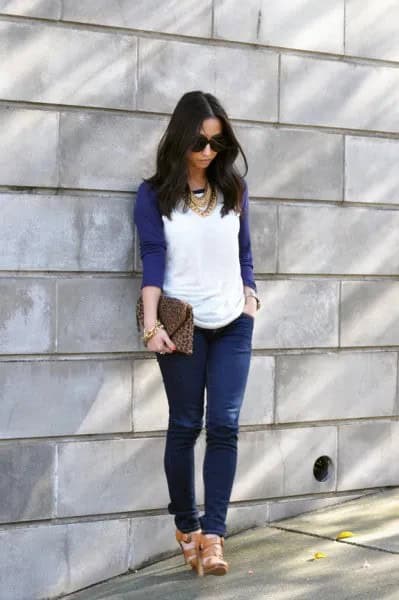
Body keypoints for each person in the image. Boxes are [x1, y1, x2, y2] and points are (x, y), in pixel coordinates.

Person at [134, 90, 260, 576]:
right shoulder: (154, 195)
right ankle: (185, 526)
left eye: (216, 143)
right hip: (182, 324)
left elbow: (244, 252)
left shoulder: (235, 191)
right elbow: (152, 260)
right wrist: (151, 326)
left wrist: (250, 296)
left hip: (233, 324)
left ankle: (213, 536)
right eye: (199, 142)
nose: (208, 151)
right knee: (186, 425)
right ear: (180, 139)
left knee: (224, 425)